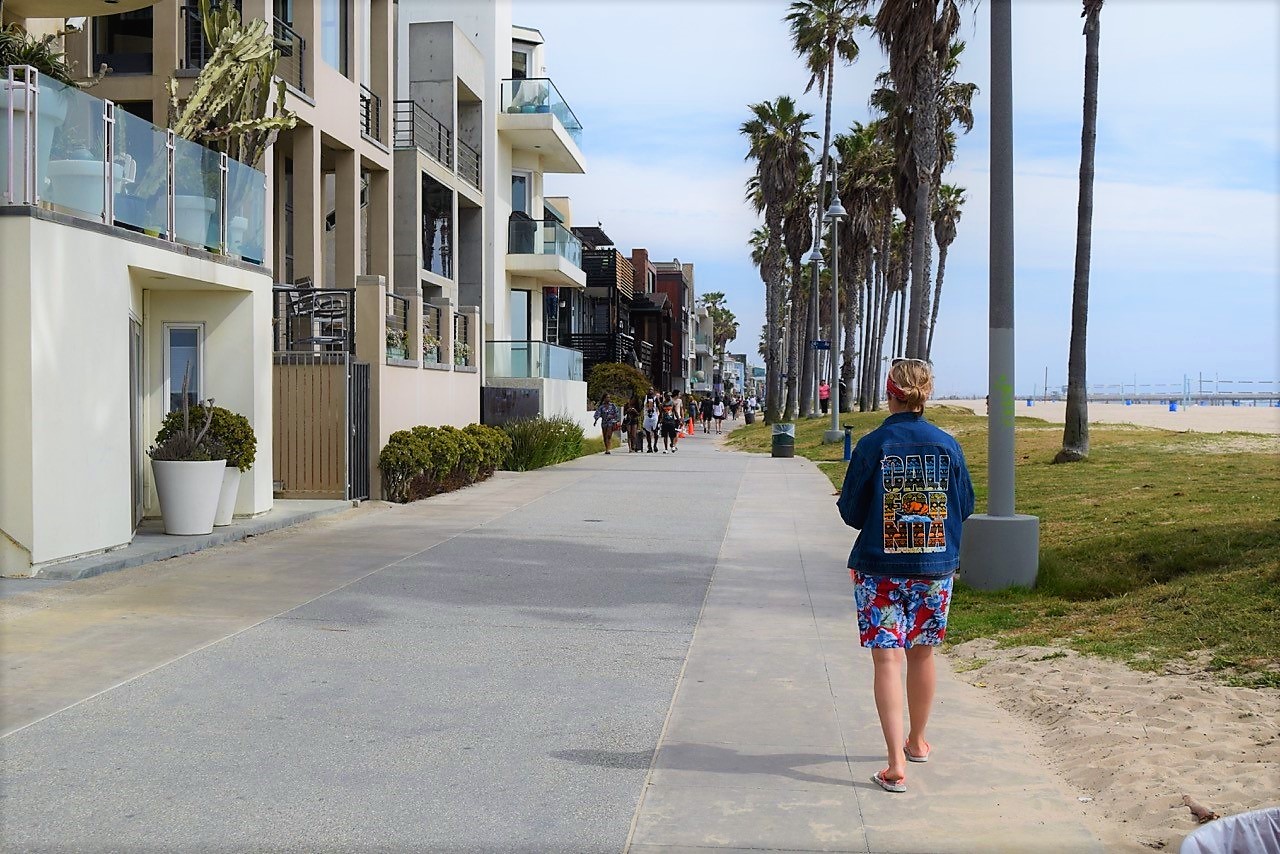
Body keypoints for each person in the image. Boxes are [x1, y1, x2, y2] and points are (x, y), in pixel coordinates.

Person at [835, 359, 975, 794]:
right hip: (934, 567)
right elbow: (965, 504)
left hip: (880, 568)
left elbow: (851, 512)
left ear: (889, 391)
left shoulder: (873, 445)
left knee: (887, 659)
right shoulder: (947, 445)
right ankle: (917, 741)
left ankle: (895, 762)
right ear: (926, 393)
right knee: (922, 655)